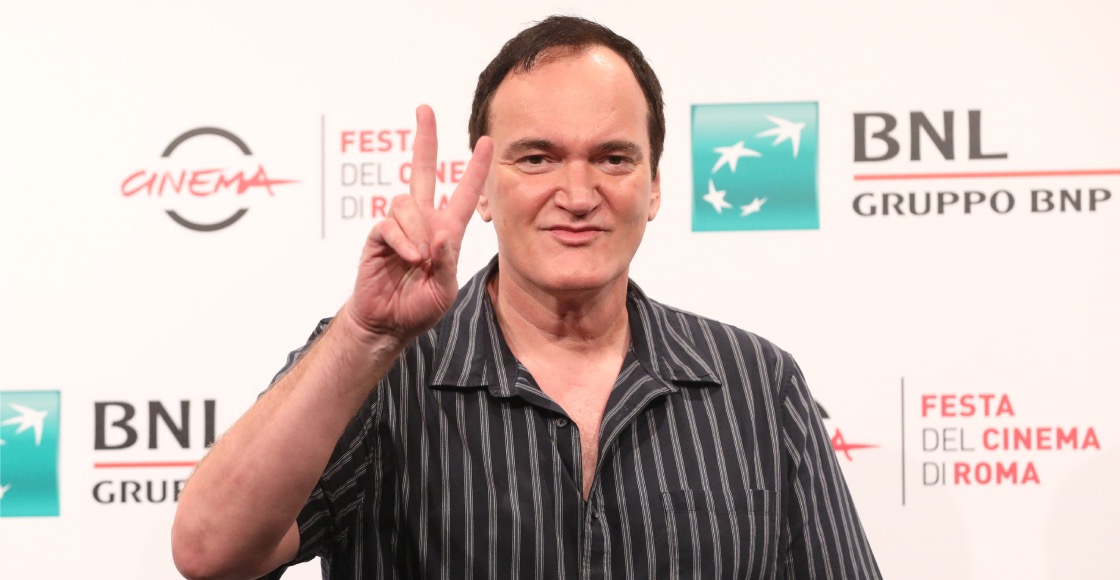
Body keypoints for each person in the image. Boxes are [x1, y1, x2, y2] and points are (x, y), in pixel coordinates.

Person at [172, 15, 880, 580]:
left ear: (655, 187)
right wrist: (364, 336)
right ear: (482, 189)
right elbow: (209, 552)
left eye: (613, 158)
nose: (577, 194)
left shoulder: (758, 384)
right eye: (536, 158)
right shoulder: (381, 369)